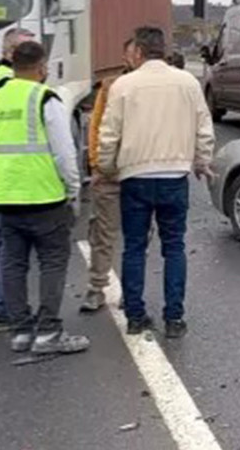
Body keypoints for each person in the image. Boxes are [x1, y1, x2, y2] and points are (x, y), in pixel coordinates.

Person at [97, 26, 214, 339]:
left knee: (134, 248)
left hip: (135, 176)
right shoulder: (187, 82)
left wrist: (106, 167)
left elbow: (108, 134)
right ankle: (174, 318)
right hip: (175, 174)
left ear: (138, 51)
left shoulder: (123, 86)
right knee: (174, 247)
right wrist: (201, 161)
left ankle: (135, 316)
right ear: (163, 48)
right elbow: (204, 127)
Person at [0, 40, 88, 355]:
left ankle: (21, 331)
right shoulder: (45, 99)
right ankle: (49, 332)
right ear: (42, 68)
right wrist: (73, 190)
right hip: (44, 197)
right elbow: (65, 153)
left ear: (12, 66)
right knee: (53, 262)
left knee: (13, 263)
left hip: (4, 198)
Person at [0, 27, 36, 332]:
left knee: (0, 244)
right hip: (11, 178)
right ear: (9, 53)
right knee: (11, 250)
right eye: (26, 50)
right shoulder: (7, 83)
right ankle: (3, 309)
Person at [80, 39, 139, 313]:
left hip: (140, 173)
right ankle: (96, 287)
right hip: (110, 174)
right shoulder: (109, 86)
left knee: (136, 238)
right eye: (131, 53)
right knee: (102, 234)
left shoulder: (151, 88)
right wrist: (95, 165)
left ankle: (131, 290)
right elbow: (96, 128)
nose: (135, 58)